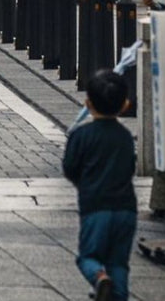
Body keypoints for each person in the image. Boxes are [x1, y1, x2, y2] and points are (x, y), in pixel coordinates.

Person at [63, 70, 138, 301]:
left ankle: (99, 277)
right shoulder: (125, 136)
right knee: (118, 262)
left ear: (88, 103)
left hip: (95, 207)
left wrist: (83, 183)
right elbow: (129, 168)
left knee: (88, 256)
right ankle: (119, 295)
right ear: (124, 105)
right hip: (126, 209)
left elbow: (70, 167)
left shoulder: (81, 135)